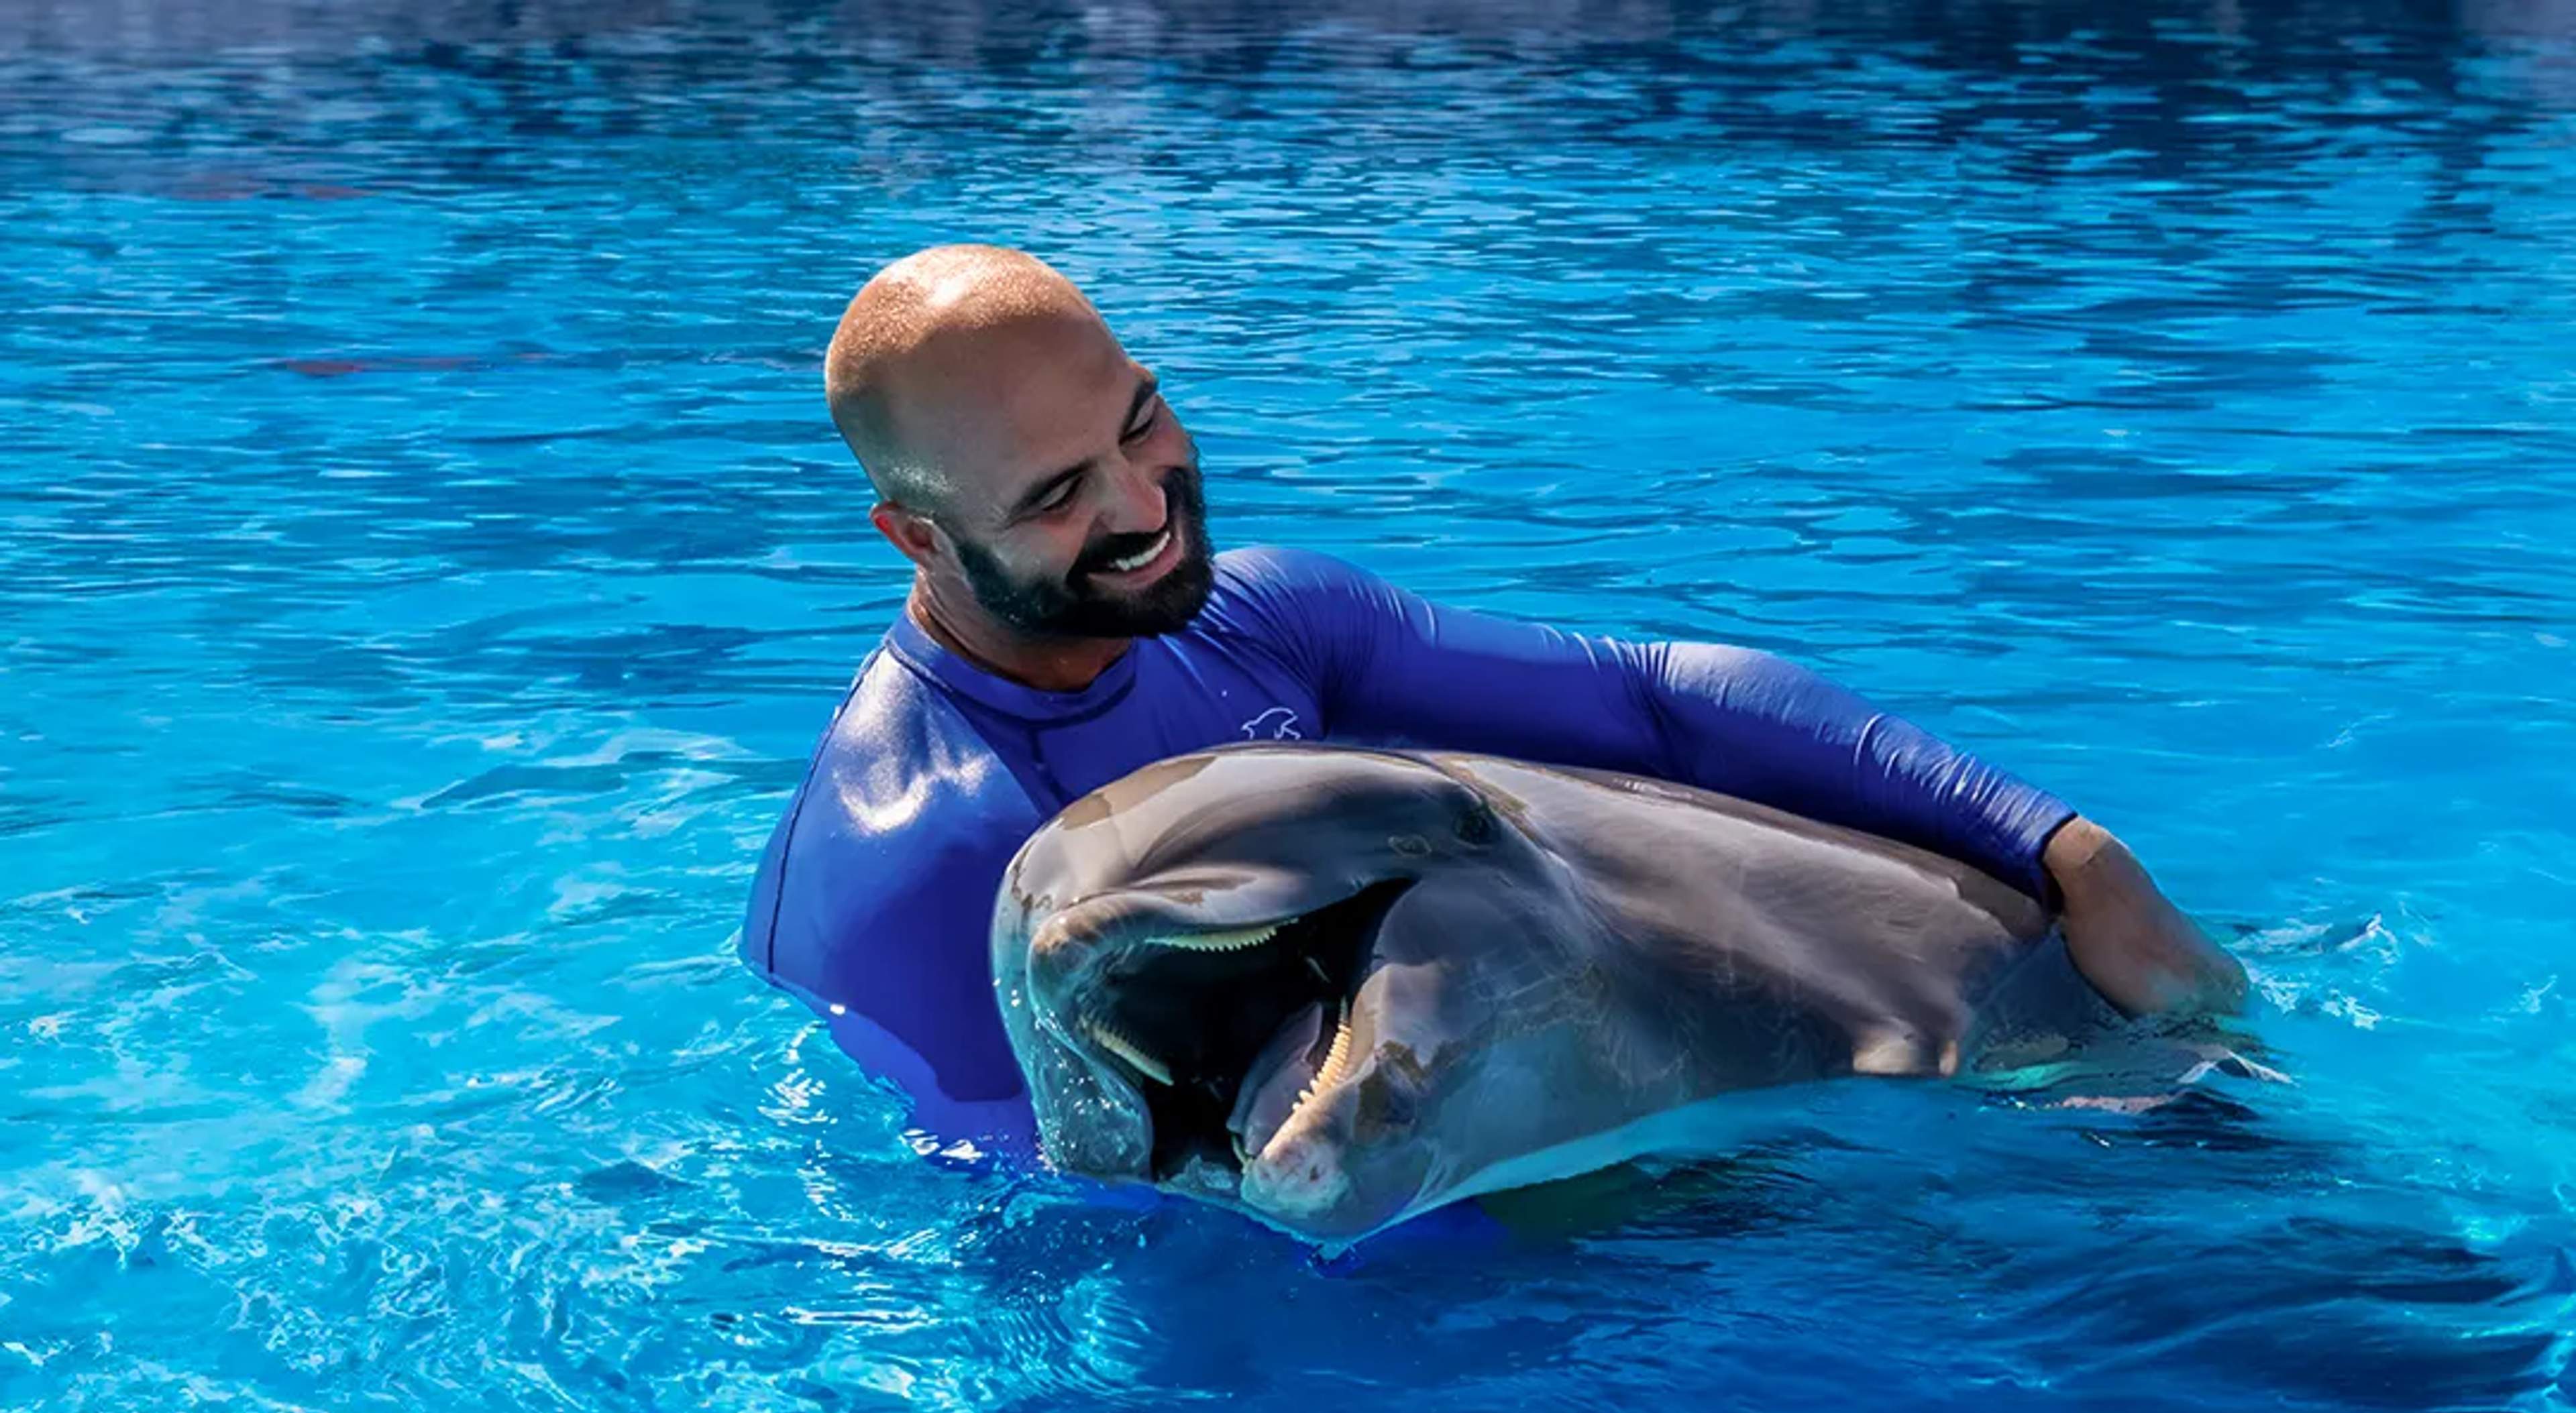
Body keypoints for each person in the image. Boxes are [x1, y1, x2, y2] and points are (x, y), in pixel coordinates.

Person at [744, 245, 2244, 1156]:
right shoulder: (909, 862)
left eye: (1143, 419)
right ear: (920, 537)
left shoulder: (1262, 617)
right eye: (1060, 495)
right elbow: (1071, 1208)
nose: (1146, 502)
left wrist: (2064, 849)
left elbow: (1656, 699)